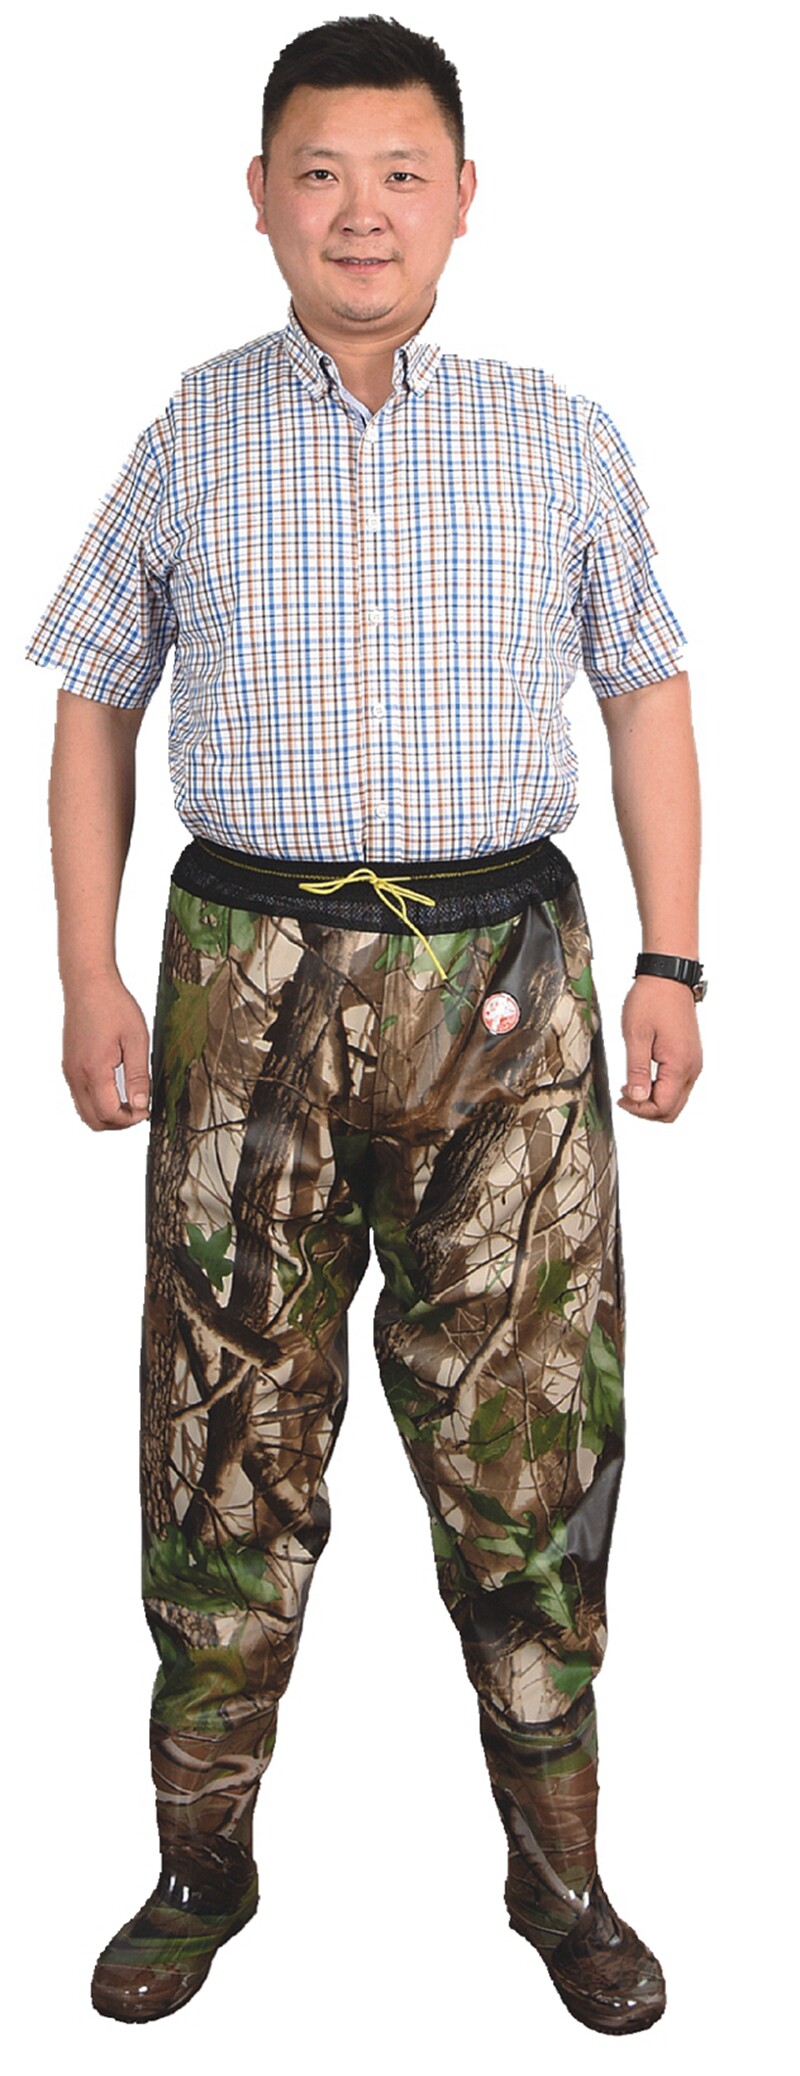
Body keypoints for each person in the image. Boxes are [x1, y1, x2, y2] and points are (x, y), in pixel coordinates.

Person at [24, 12, 703, 2037]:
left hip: (509, 994)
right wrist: (86, 970)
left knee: (530, 1445)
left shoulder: (557, 432)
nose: (361, 210)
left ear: (463, 198)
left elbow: (647, 689)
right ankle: (198, 1863)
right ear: (259, 196)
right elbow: (91, 696)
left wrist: (674, 959)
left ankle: (561, 1875)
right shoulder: (191, 428)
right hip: (247, 982)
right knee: (222, 1437)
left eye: (402, 172)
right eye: (320, 171)